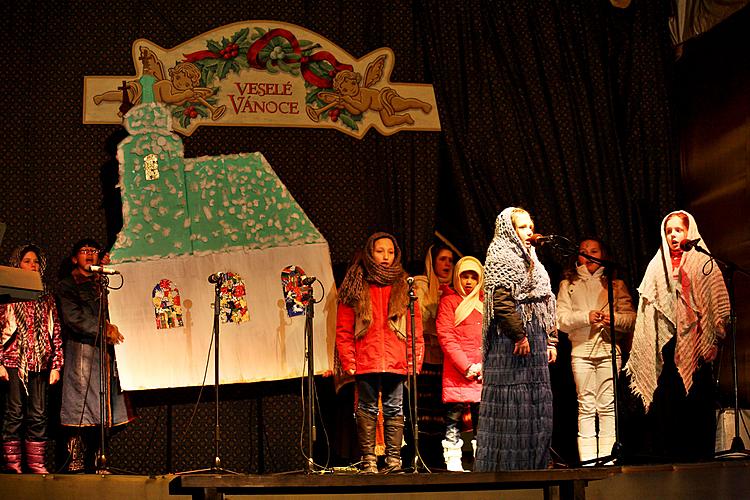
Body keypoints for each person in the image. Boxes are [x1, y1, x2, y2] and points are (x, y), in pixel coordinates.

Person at [624, 211, 730, 462]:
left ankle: (698, 453)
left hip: (696, 341)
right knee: (668, 395)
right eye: (669, 231)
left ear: (688, 232)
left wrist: (713, 335)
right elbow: (647, 307)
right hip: (667, 342)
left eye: (678, 230)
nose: (673, 235)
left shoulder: (703, 262)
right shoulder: (656, 264)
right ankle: (669, 453)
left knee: (697, 396)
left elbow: (716, 303)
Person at [475, 207, 558, 471]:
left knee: (537, 403)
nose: (529, 232)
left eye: (530, 226)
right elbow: (501, 302)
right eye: (522, 227)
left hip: (534, 336)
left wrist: (550, 340)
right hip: (509, 341)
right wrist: (519, 335)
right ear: (509, 230)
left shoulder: (533, 258)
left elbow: (546, 301)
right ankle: (508, 467)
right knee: (513, 404)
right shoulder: (500, 254)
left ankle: (535, 464)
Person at [336, 232, 424, 473]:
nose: (386, 257)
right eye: (380, 251)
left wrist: (413, 361)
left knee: (395, 408)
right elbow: (344, 328)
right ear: (370, 253)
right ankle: (369, 461)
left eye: (390, 252)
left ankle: (394, 461)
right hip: (366, 358)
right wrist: (348, 360)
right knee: (366, 408)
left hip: (395, 359)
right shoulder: (356, 282)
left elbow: (415, 331)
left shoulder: (404, 285)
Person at [556, 238, 635, 465]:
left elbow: (631, 319)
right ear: (577, 257)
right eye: (583, 252)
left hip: (609, 349)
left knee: (607, 405)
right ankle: (589, 461)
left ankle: (608, 459)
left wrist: (613, 320)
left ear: (603, 254)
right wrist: (585, 317)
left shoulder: (615, 284)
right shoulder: (567, 284)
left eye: (594, 251)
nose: (588, 255)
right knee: (586, 404)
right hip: (581, 351)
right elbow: (560, 320)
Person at [57, 239, 133, 473]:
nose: (89, 255)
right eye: (84, 251)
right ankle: (75, 457)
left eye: (93, 251)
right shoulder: (67, 285)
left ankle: (100, 458)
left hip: (106, 352)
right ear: (74, 258)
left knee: (106, 405)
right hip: (82, 350)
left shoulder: (104, 283)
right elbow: (74, 318)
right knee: (80, 405)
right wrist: (104, 329)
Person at [1, 244, 63, 473]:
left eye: (35, 261)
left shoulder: (45, 294)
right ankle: (13, 466)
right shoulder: (7, 292)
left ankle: (37, 465)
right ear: (17, 264)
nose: (32, 265)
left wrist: (56, 366)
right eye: (27, 261)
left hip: (40, 361)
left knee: (38, 413)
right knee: (14, 412)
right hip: (13, 361)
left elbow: (55, 330)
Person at [436, 256, 484, 471]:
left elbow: (492, 337)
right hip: (458, 370)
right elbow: (446, 335)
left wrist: (484, 365)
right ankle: (453, 461)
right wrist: (466, 366)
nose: (469, 281)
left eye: (474, 277)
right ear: (457, 277)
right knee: (453, 419)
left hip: (482, 370)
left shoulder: (485, 302)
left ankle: (481, 459)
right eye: (465, 275)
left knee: (481, 420)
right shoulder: (449, 301)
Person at [412, 243, 455, 459]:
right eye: (442, 259)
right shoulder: (420, 286)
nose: (447, 264)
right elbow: (419, 318)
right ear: (432, 262)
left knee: (441, 406)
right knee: (423, 404)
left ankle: (439, 452)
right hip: (425, 354)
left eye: (450, 260)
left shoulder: (457, 288)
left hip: (447, 356)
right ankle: (418, 451)